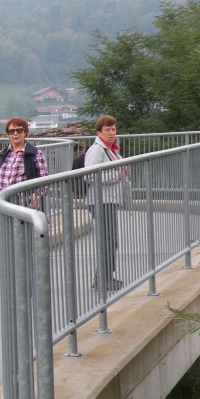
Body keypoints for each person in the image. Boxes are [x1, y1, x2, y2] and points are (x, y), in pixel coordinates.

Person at [84, 114, 130, 291]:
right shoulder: (97, 150)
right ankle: (103, 278)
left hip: (109, 200)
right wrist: (115, 175)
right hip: (100, 201)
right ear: (99, 132)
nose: (112, 132)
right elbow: (89, 175)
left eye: (113, 129)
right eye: (108, 129)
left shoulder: (111, 150)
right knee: (109, 240)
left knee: (111, 239)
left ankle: (105, 276)